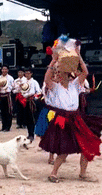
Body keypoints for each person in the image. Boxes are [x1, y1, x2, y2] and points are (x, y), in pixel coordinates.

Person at [40, 41, 102, 183]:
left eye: (62, 72)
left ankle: (83, 174)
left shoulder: (75, 85)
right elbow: (46, 78)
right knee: (64, 149)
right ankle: (53, 173)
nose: (60, 74)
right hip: (63, 119)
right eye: (59, 72)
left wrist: (79, 55)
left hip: (76, 118)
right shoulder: (54, 87)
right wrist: (54, 60)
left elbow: (85, 72)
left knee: (88, 143)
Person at [18, 68, 42, 142]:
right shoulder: (23, 82)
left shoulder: (34, 82)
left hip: (31, 101)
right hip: (25, 101)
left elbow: (39, 92)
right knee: (27, 118)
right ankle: (29, 133)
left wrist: (34, 97)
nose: (27, 75)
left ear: (31, 74)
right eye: (26, 73)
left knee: (32, 118)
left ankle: (32, 134)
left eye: (29, 73)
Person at [0, 65, 15, 132]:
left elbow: (13, 86)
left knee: (8, 111)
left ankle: (8, 126)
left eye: (5, 69)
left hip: (7, 95)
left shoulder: (10, 78)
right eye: (3, 69)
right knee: (2, 112)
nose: (4, 71)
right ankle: (3, 126)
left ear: (8, 70)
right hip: (1, 95)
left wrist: (8, 89)